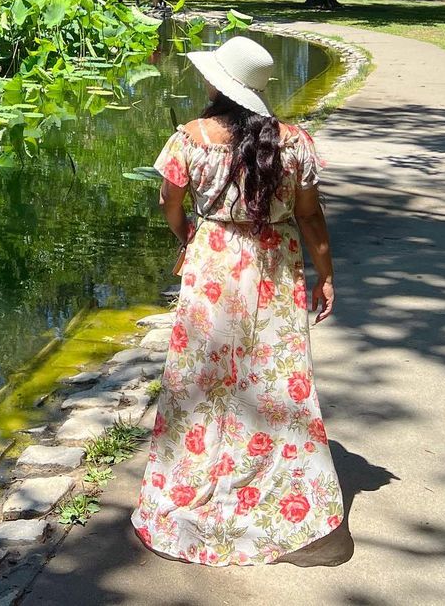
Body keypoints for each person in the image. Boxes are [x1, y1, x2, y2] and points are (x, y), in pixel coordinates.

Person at [132, 35, 342, 565]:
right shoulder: (294, 142)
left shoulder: (190, 138)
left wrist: (189, 237)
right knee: (273, 376)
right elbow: (310, 215)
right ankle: (276, 486)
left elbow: (169, 201)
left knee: (202, 377)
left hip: (215, 263)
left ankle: (192, 480)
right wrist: (326, 274)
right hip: (277, 264)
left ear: (218, 83)